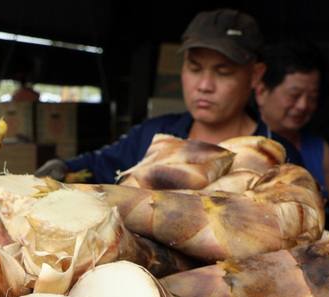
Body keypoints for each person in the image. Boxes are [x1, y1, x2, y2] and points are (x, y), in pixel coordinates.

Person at [36, 8, 302, 183]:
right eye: (194, 68)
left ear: (255, 76)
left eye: (222, 72)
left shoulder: (277, 155)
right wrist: (61, 167)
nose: (204, 85)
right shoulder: (155, 136)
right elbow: (98, 165)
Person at [255, 42, 329, 231]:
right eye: (294, 95)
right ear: (261, 92)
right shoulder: (244, 143)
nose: (303, 105)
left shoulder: (318, 149)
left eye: (312, 97)